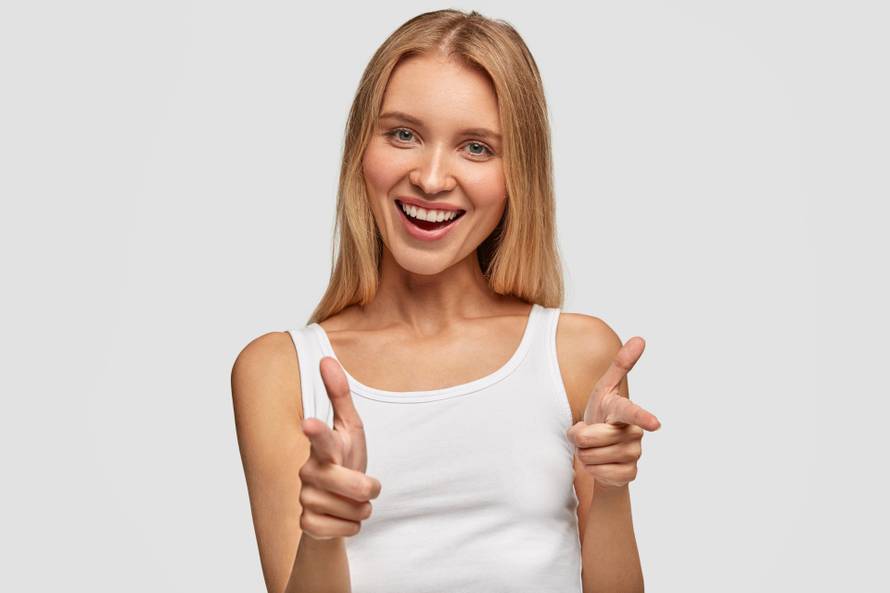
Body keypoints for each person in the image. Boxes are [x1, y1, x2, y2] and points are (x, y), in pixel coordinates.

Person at [231, 8, 661, 593]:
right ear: (362, 148)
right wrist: (324, 534)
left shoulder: (577, 354)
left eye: (477, 148)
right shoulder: (280, 371)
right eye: (403, 134)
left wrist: (609, 490)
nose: (432, 179)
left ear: (520, 174)